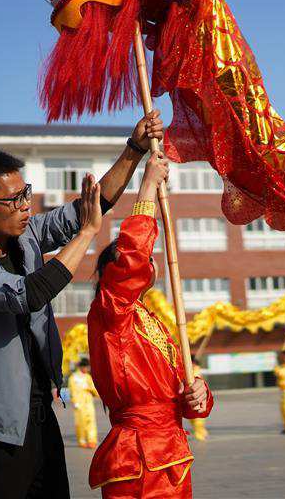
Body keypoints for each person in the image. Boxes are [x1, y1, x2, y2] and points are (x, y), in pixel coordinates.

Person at [0, 111, 163, 499]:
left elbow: (89, 207)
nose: (26, 205)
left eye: (26, 193)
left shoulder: (25, 237)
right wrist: (89, 232)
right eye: (14, 199)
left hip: (40, 413)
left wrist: (134, 150)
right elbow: (28, 293)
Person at [87, 152, 214, 498]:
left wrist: (198, 393)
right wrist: (147, 188)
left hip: (172, 455)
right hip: (139, 457)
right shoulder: (112, 312)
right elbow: (132, 259)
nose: (147, 264)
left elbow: (181, 396)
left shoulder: (147, 319)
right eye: (139, 261)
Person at [68, 358, 99, 449]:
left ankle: (92, 440)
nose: (87, 369)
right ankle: (81, 440)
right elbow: (72, 391)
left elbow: (94, 390)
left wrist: (90, 389)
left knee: (91, 421)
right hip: (79, 403)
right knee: (80, 422)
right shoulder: (73, 378)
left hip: (88, 402)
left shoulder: (88, 377)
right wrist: (75, 402)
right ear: (81, 367)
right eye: (86, 367)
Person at [188, 357, 209, 441]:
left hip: (196, 395)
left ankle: (200, 433)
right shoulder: (191, 369)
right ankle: (200, 433)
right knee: (195, 418)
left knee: (198, 418)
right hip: (191, 396)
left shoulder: (195, 370)